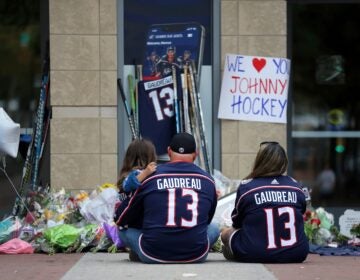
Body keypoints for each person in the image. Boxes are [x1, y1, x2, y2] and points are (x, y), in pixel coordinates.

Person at [115, 132, 219, 263]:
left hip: (152, 254)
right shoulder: (208, 181)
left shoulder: (150, 177)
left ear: (169, 151)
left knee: (122, 230)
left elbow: (120, 218)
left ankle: (139, 251)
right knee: (214, 227)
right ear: (196, 154)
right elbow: (207, 220)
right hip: (196, 254)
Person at [221, 141, 309, 263]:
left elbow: (237, 222)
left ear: (260, 161)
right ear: (284, 162)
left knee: (225, 233)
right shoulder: (296, 186)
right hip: (297, 253)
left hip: (254, 252)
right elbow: (302, 214)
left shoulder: (247, 187)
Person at [114, 139, 157, 228]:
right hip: (132, 222)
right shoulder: (134, 174)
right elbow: (128, 185)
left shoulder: (131, 174)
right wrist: (145, 173)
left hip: (132, 221)